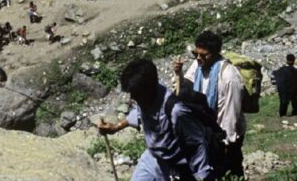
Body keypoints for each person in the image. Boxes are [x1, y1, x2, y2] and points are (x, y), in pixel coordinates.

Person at [98, 58, 229, 181]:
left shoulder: (176, 111)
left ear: (148, 90)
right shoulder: (144, 96)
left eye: (136, 94)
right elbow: (139, 112)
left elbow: (196, 144)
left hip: (177, 167)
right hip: (153, 159)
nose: (133, 97)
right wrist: (116, 127)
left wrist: (202, 176)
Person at [172, 31, 246, 178]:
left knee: (231, 166)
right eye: (196, 54)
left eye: (203, 55)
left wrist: (226, 141)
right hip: (208, 129)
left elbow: (232, 112)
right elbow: (186, 87)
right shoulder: (198, 65)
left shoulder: (229, 76)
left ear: (215, 53)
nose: (198, 58)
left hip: (225, 132)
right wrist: (178, 73)